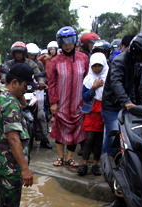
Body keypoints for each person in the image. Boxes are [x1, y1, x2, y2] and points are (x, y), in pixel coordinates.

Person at [0, 63, 37, 207]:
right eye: (25, 86)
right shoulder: (10, 104)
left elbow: (23, 105)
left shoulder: (1, 96)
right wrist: (25, 169)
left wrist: (20, 95)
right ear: (15, 83)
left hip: (3, 163)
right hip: (11, 165)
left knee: (2, 202)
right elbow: (14, 139)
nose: (26, 91)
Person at [101, 33, 142, 155]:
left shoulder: (135, 63)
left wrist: (136, 103)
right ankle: (106, 160)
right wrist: (126, 101)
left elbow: (134, 85)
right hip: (112, 106)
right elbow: (116, 83)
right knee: (113, 136)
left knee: (128, 136)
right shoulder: (119, 61)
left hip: (127, 105)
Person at [48, 26, 89, 168]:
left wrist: (87, 100)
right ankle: (60, 156)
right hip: (62, 102)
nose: (67, 45)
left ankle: (69, 158)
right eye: (64, 42)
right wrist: (53, 102)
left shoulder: (83, 58)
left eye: (70, 41)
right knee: (60, 129)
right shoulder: (55, 61)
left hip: (78, 102)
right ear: (60, 43)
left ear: (75, 41)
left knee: (76, 131)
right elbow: (51, 83)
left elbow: (87, 79)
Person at [78, 53, 108, 176]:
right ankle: (84, 163)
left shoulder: (108, 77)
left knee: (99, 140)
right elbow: (84, 96)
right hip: (91, 111)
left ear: (104, 65)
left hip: (103, 111)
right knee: (89, 138)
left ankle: (95, 164)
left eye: (99, 66)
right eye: (94, 66)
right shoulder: (88, 79)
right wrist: (93, 88)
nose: (96, 68)